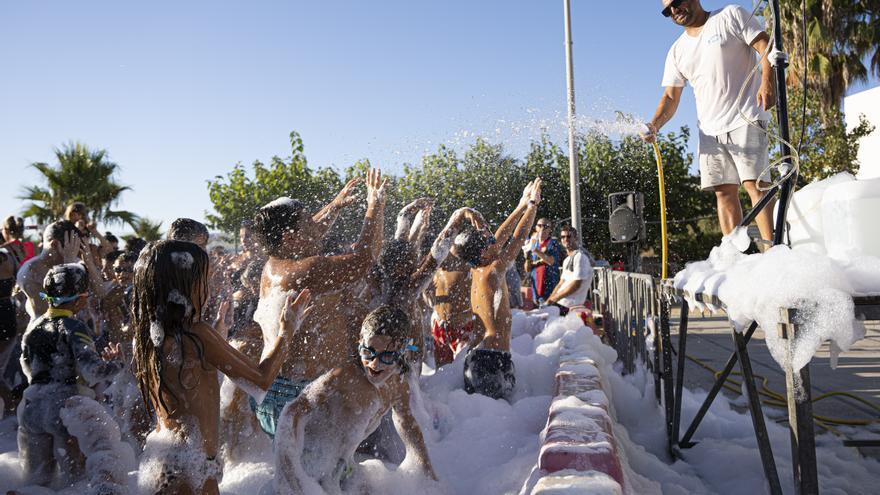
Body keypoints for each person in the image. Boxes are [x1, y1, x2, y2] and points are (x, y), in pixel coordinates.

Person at [131, 240, 312, 495]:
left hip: (162, 462)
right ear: (187, 286)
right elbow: (260, 380)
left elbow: (186, 385)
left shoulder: (148, 338)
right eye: (205, 279)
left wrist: (218, 336)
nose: (210, 286)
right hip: (191, 472)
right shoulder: (198, 336)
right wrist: (287, 331)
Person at [251, 171, 384, 438]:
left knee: (298, 475)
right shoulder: (307, 270)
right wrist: (375, 203)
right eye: (308, 223)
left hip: (275, 394)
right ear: (290, 238)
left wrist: (334, 206)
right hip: (302, 396)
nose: (317, 226)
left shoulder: (274, 267)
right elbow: (365, 258)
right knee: (326, 476)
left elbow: (310, 235)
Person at [641, 0, 776, 241]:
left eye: (676, 3)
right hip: (709, 130)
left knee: (755, 185)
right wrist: (654, 125)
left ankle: (772, 249)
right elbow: (671, 97)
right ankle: (733, 256)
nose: (674, 10)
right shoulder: (677, 51)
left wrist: (768, 81)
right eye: (667, 10)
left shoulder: (730, 15)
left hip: (746, 116)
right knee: (723, 193)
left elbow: (764, 45)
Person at [274, 305, 437, 494]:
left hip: (340, 468)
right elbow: (294, 410)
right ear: (359, 341)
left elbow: (407, 422)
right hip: (310, 463)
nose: (374, 364)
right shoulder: (344, 376)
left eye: (387, 356)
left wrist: (427, 471)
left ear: (403, 351)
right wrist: (291, 468)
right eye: (368, 352)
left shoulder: (399, 385)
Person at [17, 263, 124, 486]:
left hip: (32, 408)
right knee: (75, 481)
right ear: (79, 298)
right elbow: (93, 372)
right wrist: (116, 363)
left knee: (37, 483)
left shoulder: (34, 327)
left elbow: (27, 368)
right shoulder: (73, 327)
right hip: (65, 409)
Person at [466, 179, 541, 400]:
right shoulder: (492, 273)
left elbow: (498, 239)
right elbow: (517, 239)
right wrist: (532, 206)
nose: (494, 242)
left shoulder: (478, 271)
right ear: (482, 253)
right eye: (488, 243)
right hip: (492, 362)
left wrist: (520, 205)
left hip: (476, 359)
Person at [431, 209, 497, 367]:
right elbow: (444, 236)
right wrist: (464, 212)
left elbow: (495, 247)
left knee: (462, 370)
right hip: (439, 325)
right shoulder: (444, 258)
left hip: (465, 327)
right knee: (441, 376)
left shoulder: (476, 266)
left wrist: (485, 230)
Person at [17, 221, 82, 320]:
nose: (75, 256)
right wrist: (69, 262)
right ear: (55, 244)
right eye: (71, 250)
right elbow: (64, 303)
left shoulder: (54, 266)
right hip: (45, 331)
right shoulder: (34, 269)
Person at [545, 225, 594, 316]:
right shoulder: (566, 260)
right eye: (563, 237)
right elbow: (560, 284)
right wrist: (548, 301)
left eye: (569, 236)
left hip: (570, 307)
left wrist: (554, 299)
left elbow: (576, 284)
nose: (565, 239)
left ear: (576, 238)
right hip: (560, 304)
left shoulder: (580, 257)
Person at [524, 218, 562, 305]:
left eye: (545, 226)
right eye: (539, 225)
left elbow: (550, 261)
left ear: (550, 229)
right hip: (536, 290)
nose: (542, 228)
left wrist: (534, 250)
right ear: (536, 228)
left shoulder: (553, 243)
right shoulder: (533, 243)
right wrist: (527, 257)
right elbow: (527, 269)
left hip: (550, 289)